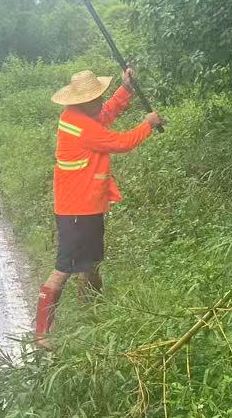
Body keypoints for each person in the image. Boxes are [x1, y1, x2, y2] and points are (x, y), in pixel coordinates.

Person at [34, 65, 162, 347]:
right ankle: (42, 335)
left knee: (91, 264)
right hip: (76, 210)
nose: (101, 102)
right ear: (83, 102)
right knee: (63, 268)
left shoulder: (81, 115)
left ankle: (91, 319)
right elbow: (120, 142)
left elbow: (104, 116)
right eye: (97, 98)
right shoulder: (80, 126)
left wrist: (125, 90)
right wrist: (148, 125)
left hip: (88, 206)